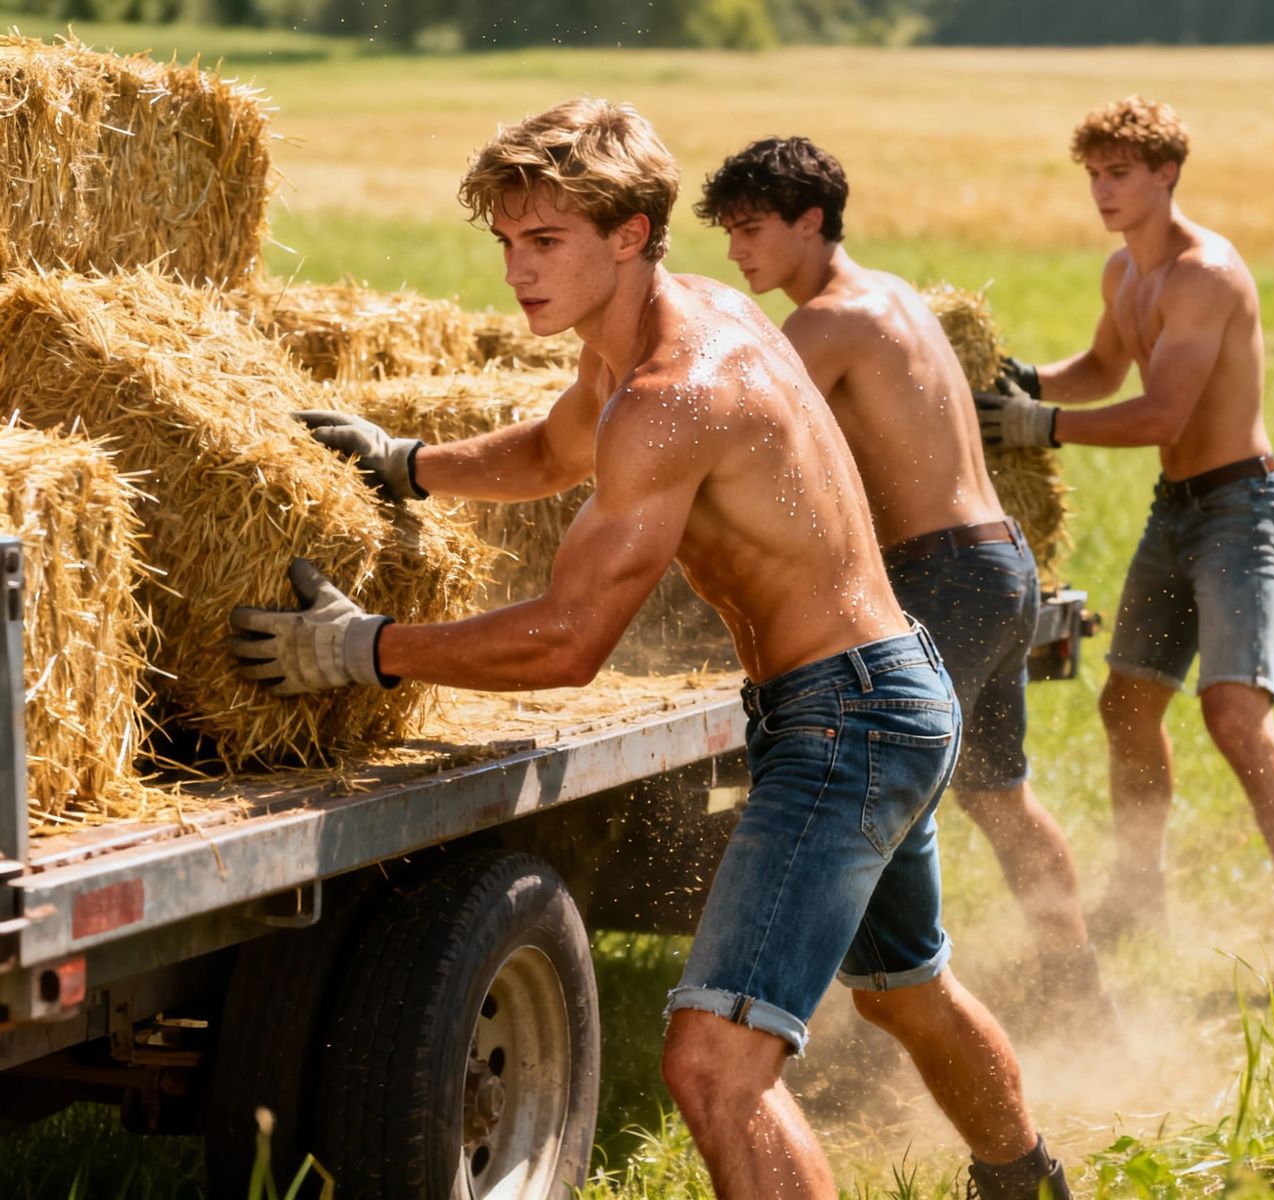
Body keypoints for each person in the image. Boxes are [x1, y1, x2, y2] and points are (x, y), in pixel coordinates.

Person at [228, 99, 1070, 1200]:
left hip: (846, 720)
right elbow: (549, 450)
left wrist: (364, 648)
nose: (516, 273)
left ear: (629, 234)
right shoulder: (663, 334)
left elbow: (571, 640)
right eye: (507, 243)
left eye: (545, 243)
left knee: (714, 1069)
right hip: (882, 692)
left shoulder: (677, 395)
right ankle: (1029, 1182)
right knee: (903, 990)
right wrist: (407, 460)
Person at [695, 135, 1115, 1033]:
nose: (736, 254)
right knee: (999, 797)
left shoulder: (826, 322)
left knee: (876, 788)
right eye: (728, 234)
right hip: (1001, 564)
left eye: (751, 230)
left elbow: (729, 432)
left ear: (810, 222)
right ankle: (1079, 996)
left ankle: (882, 1025)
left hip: (941, 576)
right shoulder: (897, 298)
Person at [975, 96, 1274, 1003]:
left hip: (1240, 507)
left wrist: (1040, 423)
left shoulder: (1204, 274)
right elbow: (1104, 372)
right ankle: (1140, 896)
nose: (1103, 191)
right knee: (1127, 703)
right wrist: (1010, 381)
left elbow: (1161, 413)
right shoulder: (1126, 272)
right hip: (1174, 509)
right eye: (1094, 175)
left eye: (1120, 174)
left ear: (1166, 175)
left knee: (1234, 715)